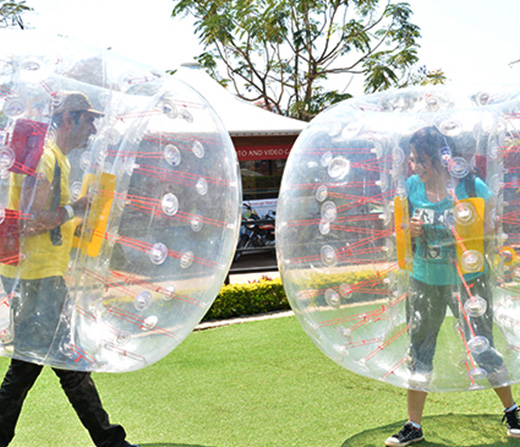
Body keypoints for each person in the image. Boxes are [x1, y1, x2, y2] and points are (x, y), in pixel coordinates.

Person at [0, 92, 140, 447]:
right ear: (68, 120)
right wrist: (74, 209)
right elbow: (30, 221)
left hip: (40, 279)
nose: (93, 127)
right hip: (39, 282)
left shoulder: (52, 158)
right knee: (49, 368)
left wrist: (77, 227)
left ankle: (109, 440)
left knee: (45, 368)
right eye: (88, 119)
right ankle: (110, 441)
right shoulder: (48, 159)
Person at [385, 126, 520, 447]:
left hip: (467, 281)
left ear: (441, 159)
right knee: (419, 353)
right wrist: (410, 230)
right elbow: (400, 230)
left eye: (421, 160)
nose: (415, 166)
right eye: (413, 160)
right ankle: (413, 426)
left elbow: (489, 232)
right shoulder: (411, 187)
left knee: (483, 347)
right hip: (424, 280)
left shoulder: (471, 186)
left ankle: (513, 413)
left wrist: (469, 225)